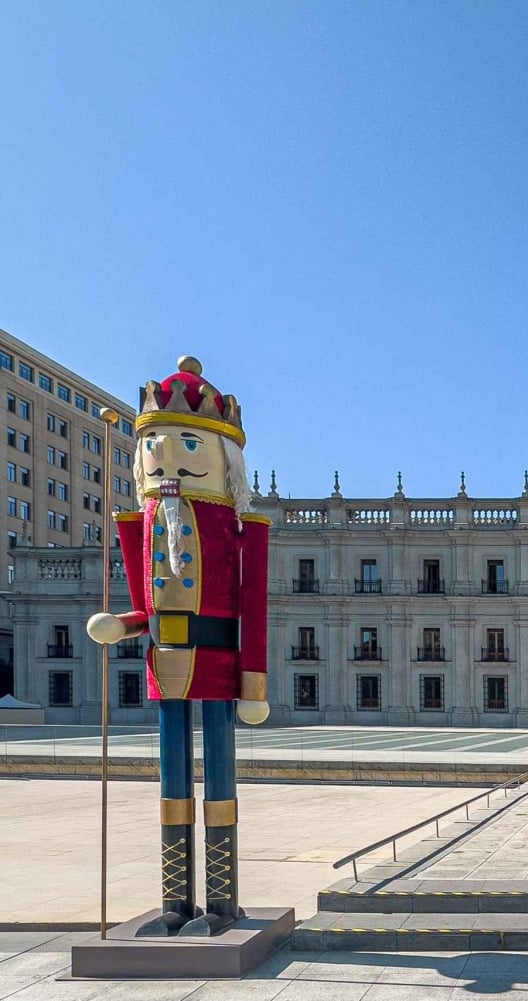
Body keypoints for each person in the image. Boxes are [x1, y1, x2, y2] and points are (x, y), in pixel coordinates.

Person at [86, 356, 270, 937]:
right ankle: (175, 902)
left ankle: (221, 902)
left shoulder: (239, 531)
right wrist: (121, 624)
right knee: (171, 784)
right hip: (165, 663)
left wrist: (253, 685)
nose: (166, 456)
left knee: (219, 780)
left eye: (188, 443)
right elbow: (144, 603)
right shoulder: (141, 527)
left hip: (216, 662)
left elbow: (253, 606)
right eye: (155, 444)